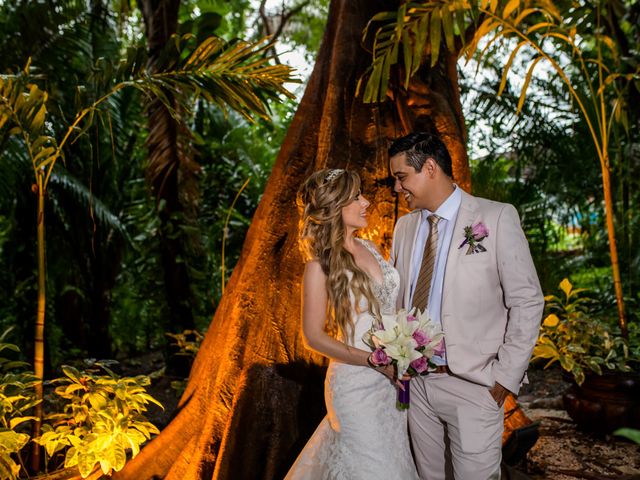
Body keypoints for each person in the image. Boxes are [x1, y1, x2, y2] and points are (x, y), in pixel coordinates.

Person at [388, 132, 544, 480]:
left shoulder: (496, 217)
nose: (397, 188)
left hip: (474, 384)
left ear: (429, 168)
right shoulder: (404, 228)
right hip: (417, 386)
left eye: (401, 177)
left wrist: (504, 377)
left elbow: (527, 300)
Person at [285, 168, 419, 480]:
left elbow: (388, 308)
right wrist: (374, 360)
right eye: (356, 197)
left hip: (390, 385)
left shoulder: (370, 248)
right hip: (354, 385)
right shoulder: (319, 267)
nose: (366, 202)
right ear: (335, 206)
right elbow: (313, 337)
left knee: (395, 463)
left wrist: (406, 348)